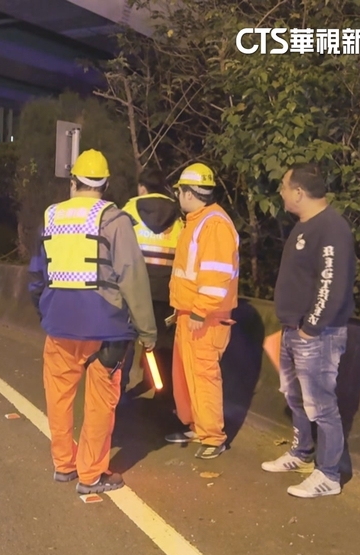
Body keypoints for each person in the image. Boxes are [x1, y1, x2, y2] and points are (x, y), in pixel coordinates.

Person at [28, 149, 157, 494]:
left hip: (59, 325)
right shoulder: (114, 220)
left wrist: (46, 309)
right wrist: (146, 330)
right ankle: (91, 474)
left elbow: (37, 275)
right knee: (100, 401)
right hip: (106, 328)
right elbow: (132, 277)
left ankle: (63, 465)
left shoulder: (51, 216)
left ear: (73, 182)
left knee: (58, 397)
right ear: (105, 185)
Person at [263, 163, 356, 498]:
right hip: (294, 330)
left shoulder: (331, 228)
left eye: (285, 186)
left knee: (321, 405)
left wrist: (311, 328)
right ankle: (301, 453)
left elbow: (332, 283)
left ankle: (328, 474)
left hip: (318, 334)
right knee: (296, 398)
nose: (282, 192)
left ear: (299, 192)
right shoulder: (303, 226)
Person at [166, 163, 240, 459]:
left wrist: (198, 311)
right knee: (189, 376)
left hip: (205, 317)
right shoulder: (198, 221)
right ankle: (199, 427)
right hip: (192, 313)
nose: (178, 197)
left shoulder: (213, 224)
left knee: (204, 376)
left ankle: (213, 437)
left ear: (187, 193)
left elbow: (216, 274)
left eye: (179, 191)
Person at [122, 168, 184, 398]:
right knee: (163, 342)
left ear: (142, 187)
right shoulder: (179, 216)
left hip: (132, 289)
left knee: (125, 340)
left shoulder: (128, 212)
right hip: (167, 290)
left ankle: (118, 390)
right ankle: (164, 393)